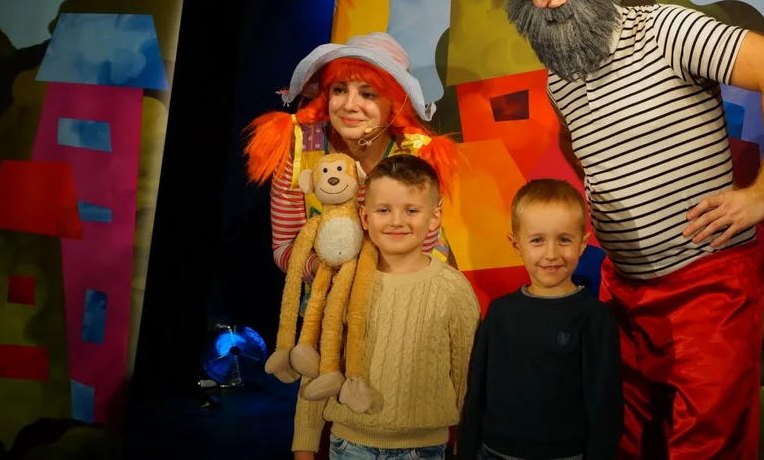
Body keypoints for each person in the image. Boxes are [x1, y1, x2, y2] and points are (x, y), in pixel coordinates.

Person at [502, 0, 764, 459]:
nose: (556, 1)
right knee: (624, 439)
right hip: (623, 291)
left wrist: (763, 194)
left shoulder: (667, 30)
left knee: (706, 446)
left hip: (707, 283)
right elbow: (581, 148)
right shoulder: (560, 78)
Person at [242, 33, 463, 459]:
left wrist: (372, 284)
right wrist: (333, 273)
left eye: (368, 93)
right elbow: (285, 248)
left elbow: (430, 250)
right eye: (339, 89)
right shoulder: (299, 147)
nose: (349, 104)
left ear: (393, 102)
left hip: (400, 320)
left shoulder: (417, 155)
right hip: (325, 323)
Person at [320, 154, 481, 459]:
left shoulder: (453, 289)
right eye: (383, 210)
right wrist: (304, 443)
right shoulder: (344, 284)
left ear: (434, 217)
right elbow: (322, 367)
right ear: (365, 217)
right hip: (350, 444)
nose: (396, 221)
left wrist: (465, 443)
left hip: (424, 448)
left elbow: (466, 376)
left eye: (411, 210)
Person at [458, 179, 623, 460]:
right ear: (516, 244)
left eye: (564, 239)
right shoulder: (499, 313)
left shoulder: (595, 317)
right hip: (493, 452)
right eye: (537, 240)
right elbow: (477, 392)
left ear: (582, 244)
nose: (551, 254)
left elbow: (605, 407)